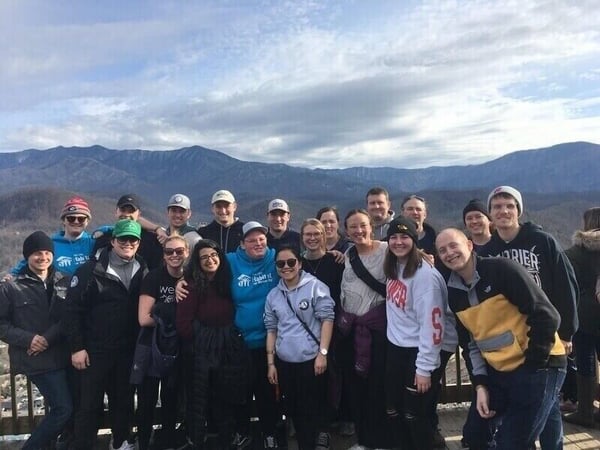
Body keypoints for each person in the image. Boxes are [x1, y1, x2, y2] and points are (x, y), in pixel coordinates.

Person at [436, 228, 567, 450]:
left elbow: (547, 315)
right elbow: (470, 344)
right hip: (500, 370)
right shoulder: (454, 293)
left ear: (469, 245)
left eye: (453, 245)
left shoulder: (501, 269)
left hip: (541, 364)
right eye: (442, 250)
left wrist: (532, 366)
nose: (449, 253)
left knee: (513, 442)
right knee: (474, 435)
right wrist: (480, 385)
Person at [480, 185, 578, 449]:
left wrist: (567, 333)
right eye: (497, 207)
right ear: (490, 214)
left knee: (547, 400)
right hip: (511, 339)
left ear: (518, 211)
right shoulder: (487, 251)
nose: (503, 211)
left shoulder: (543, 241)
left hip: (546, 333)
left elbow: (566, 287)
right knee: (537, 400)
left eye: (509, 206)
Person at [176, 221, 281, 449]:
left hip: (270, 340)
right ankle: (240, 433)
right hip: (238, 343)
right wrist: (182, 281)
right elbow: (203, 263)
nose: (257, 243)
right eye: (251, 240)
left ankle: (269, 433)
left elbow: (299, 261)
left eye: (261, 238)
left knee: (266, 392)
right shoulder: (231, 261)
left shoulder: (276, 259)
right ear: (241, 244)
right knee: (238, 392)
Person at [65, 219, 148, 450]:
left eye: (133, 240)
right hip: (94, 351)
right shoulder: (91, 270)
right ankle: (85, 445)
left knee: (122, 402)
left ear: (139, 243)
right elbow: (71, 310)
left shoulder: (143, 267)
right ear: (112, 241)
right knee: (89, 404)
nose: (128, 243)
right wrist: (77, 347)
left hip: (126, 351)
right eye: (123, 239)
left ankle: (121, 442)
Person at [383, 217, 452, 450]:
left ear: (414, 241)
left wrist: (423, 369)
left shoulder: (425, 277)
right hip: (396, 347)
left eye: (405, 237)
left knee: (416, 414)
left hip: (418, 351)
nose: (398, 242)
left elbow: (433, 326)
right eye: (393, 237)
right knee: (394, 408)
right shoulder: (394, 266)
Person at [0, 231, 73, 450]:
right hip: (35, 360)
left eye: (47, 252)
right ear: (27, 257)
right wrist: (29, 339)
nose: (43, 257)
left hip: (61, 355)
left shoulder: (65, 281)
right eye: (36, 253)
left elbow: (70, 316)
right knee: (64, 409)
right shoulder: (11, 287)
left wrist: (46, 339)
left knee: (62, 408)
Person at [176, 239, 247, 449]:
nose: (210, 260)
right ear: (197, 262)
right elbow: (183, 325)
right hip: (199, 355)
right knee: (199, 399)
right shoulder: (190, 285)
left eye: (214, 255)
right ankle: (197, 440)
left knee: (224, 398)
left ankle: (225, 438)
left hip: (227, 352)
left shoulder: (226, 282)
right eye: (204, 257)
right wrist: (207, 339)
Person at [265, 245, 335, 450]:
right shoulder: (273, 295)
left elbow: (327, 320)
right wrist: (271, 363)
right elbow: (272, 329)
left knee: (309, 409)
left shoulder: (315, 287)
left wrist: (323, 354)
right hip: (285, 361)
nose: (286, 267)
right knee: (292, 408)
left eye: (291, 262)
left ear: (300, 263)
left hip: (310, 361)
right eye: (281, 264)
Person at [337, 209, 395, 450]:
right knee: (356, 387)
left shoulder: (386, 250)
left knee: (377, 388)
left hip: (378, 331)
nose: (358, 231)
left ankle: (380, 441)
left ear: (371, 226)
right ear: (346, 231)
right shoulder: (348, 254)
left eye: (362, 225)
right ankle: (363, 440)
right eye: (353, 227)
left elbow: (412, 258)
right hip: (351, 331)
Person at [135, 235, 189, 450]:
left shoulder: (192, 278)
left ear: (187, 253)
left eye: (179, 251)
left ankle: (168, 441)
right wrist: (174, 316)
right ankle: (143, 441)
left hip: (178, 347)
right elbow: (144, 318)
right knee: (147, 398)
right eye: (169, 252)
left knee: (171, 398)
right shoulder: (154, 278)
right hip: (153, 346)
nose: (174, 255)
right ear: (163, 255)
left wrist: (163, 315)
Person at [563, 207, 600, 427]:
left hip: (583, 315)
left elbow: (568, 285)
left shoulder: (573, 253)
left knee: (585, 361)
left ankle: (585, 411)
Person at [10, 196, 96, 277]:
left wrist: (105, 230)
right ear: (63, 221)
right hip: (59, 291)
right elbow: (29, 260)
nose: (76, 222)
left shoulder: (93, 243)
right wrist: (11, 275)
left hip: (90, 292)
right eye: (71, 218)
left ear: (87, 221)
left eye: (81, 219)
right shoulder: (50, 244)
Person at [93, 194, 164, 270]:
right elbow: (94, 265)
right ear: (116, 212)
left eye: (131, 211)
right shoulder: (103, 239)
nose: (126, 214)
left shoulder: (152, 241)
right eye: (123, 210)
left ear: (139, 214)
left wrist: (157, 228)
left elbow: (157, 270)